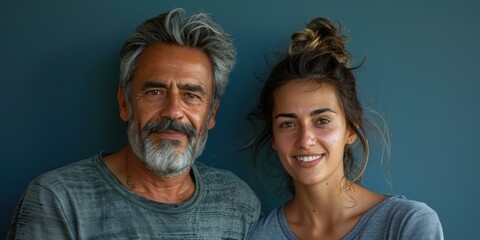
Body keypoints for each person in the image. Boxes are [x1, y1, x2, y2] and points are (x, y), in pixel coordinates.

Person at [7, 8, 260, 239]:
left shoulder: (238, 202)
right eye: (155, 92)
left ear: (211, 114)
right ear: (125, 103)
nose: (173, 112)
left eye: (191, 96)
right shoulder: (58, 201)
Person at [247, 17, 443, 239]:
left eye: (322, 120)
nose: (305, 140)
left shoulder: (406, 224)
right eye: (288, 124)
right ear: (273, 136)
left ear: (350, 130)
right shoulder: (259, 234)